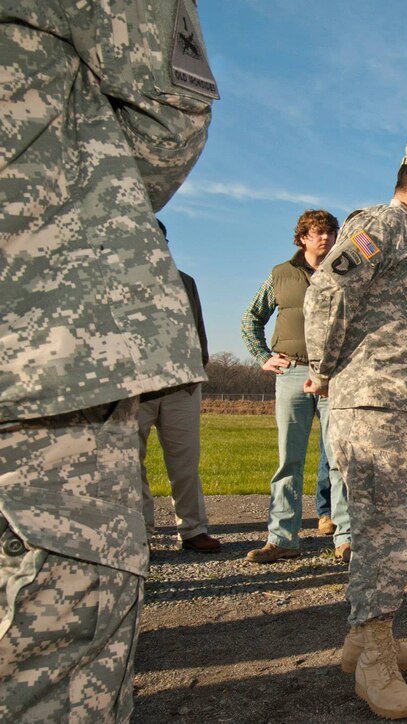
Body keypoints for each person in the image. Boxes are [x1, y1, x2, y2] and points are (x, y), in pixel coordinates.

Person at [0, 1, 217, 719]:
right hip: (48, 358)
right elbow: (170, 116)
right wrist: (66, 214)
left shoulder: (185, 280)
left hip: (76, 362)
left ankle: (196, 529)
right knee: (55, 661)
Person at [304, 139, 407, 719]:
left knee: (391, 526)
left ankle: (363, 639)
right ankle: (375, 657)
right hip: (376, 405)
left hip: (402, 406)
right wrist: (324, 369)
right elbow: (329, 290)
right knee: (388, 531)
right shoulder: (381, 224)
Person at [241, 209, 352, 563]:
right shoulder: (280, 274)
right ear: (303, 237)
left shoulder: (346, 271)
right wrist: (262, 355)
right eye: (318, 232)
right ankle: (282, 538)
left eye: (331, 232)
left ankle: (345, 538)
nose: (326, 238)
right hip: (291, 374)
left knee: (339, 460)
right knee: (289, 460)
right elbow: (250, 318)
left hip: (335, 379)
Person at [138, 220, 221, 553]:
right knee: (131, 466)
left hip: (181, 389)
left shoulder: (185, 282)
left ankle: (192, 530)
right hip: (136, 393)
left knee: (185, 465)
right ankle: (140, 533)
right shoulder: (115, 283)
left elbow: (198, 330)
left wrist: (195, 370)